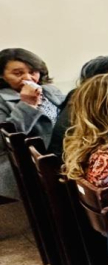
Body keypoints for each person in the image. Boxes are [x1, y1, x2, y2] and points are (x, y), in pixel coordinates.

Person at [0, 49, 64, 200]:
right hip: (23, 170)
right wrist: (27, 104)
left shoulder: (50, 91)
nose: (28, 78)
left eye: (33, 72)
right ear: (2, 75)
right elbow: (3, 141)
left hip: (60, 159)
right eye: (17, 73)